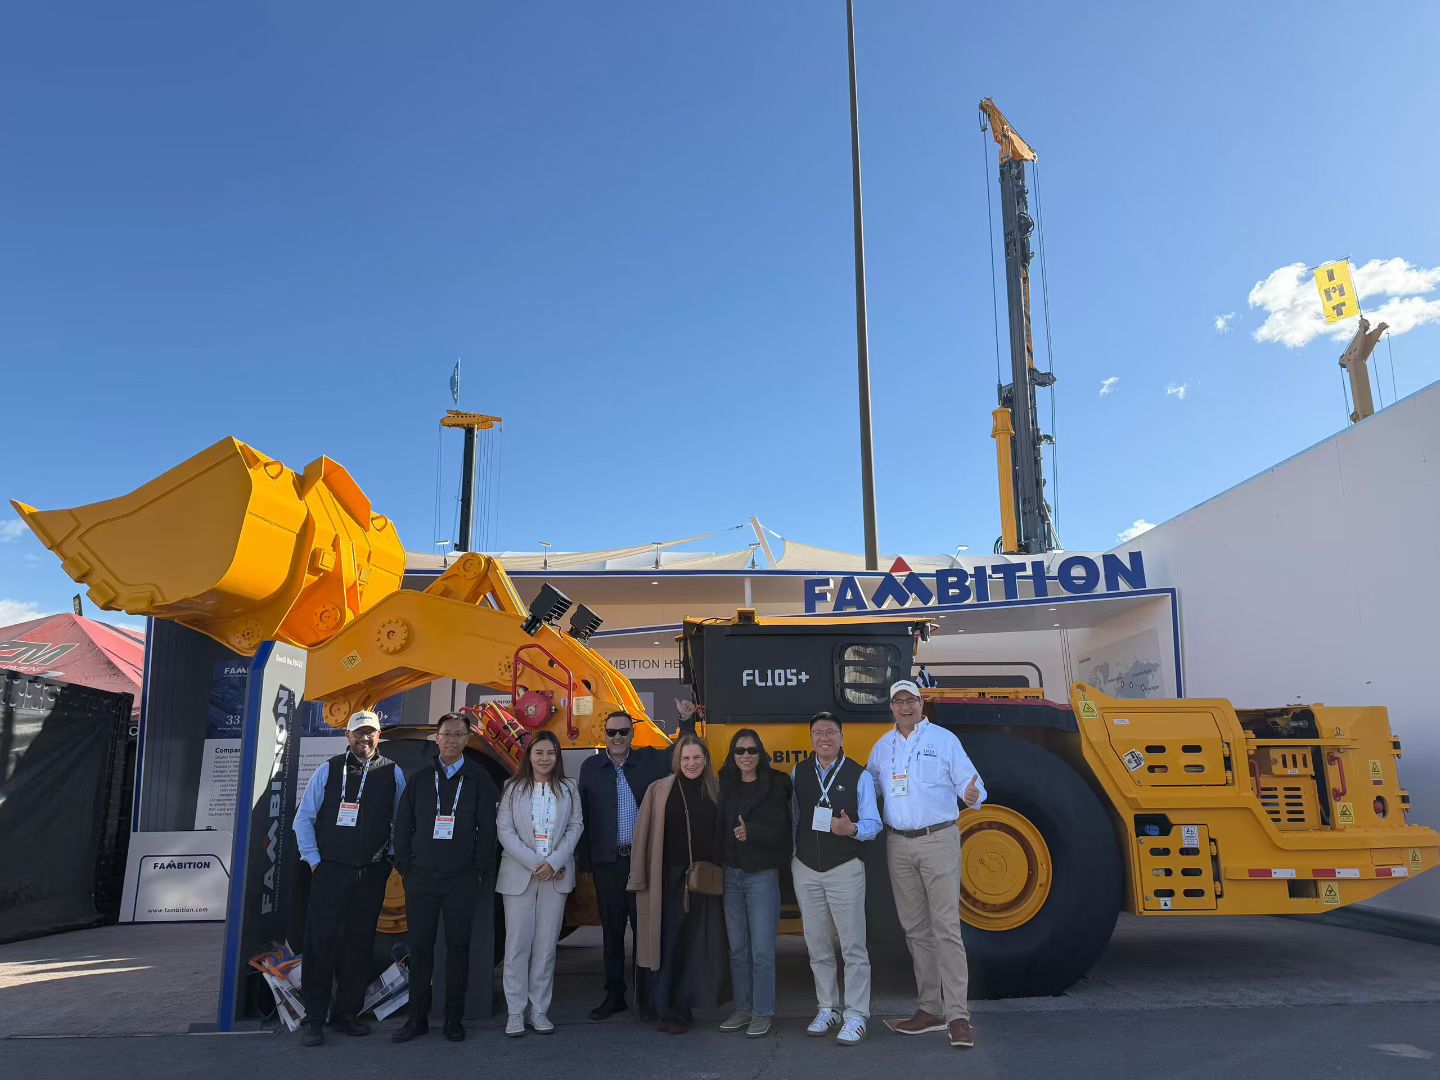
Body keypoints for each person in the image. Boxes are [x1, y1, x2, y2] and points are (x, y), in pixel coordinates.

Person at [866, 679, 986, 1049]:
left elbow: (971, 783)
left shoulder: (944, 740)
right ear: (891, 707)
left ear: (922, 704)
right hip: (898, 844)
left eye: (911, 701)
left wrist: (971, 793)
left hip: (938, 840)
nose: (905, 707)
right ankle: (930, 1009)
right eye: (899, 701)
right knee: (916, 930)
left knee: (946, 928)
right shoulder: (882, 747)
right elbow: (869, 789)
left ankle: (958, 1015)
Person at [292, 710, 406, 1047]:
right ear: (347, 736)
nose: (364, 738)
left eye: (371, 732)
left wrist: (388, 859)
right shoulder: (328, 770)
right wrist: (316, 863)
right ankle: (314, 1018)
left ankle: (346, 1014)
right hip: (330, 870)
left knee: (359, 944)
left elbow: (402, 820)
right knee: (320, 944)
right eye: (358, 732)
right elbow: (303, 819)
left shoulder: (393, 772)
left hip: (370, 873)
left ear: (379, 735)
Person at [390, 712, 499, 1044]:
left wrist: (477, 871)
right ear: (436, 738)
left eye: (458, 734)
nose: (452, 740)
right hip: (421, 879)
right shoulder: (421, 778)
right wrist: (406, 868)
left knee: (458, 948)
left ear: (467, 739)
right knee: (420, 948)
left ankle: (453, 1018)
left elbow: (488, 830)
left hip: (461, 880)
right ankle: (417, 1019)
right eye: (446, 734)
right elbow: (403, 826)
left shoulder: (478, 778)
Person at [791, 710, 882, 1046]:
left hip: (844, 868)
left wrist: (852, 829)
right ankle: (827, 1008)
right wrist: (794, 857)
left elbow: (874, 824)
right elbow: (793, 818)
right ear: (811, 738)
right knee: (817, 945)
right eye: (818, 732)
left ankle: (856, 1014)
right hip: (806, 868)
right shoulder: (798, 772)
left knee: (853, 946)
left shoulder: (859, 775)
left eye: (830, 732)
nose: (824, 738)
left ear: (842, 737)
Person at [627, 734, 728, 1035]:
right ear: (677, 761)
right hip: (668, 879)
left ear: (706, 760)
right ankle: (664, 1007)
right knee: (667, 943)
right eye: (685, 758)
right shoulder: (659, 790)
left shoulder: (717, 790)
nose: (691, 763)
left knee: (695, 946)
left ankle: (684, 1009)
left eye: (697, 757)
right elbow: (642, 836)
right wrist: (638, 877)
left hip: (704, 882)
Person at [576, 711, 669, 1020]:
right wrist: (584, 862)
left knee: (645, 930)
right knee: (612, 931)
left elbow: (680, 754)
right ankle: (614, 994)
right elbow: (583, 815)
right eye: (612, 732)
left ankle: (647, 997)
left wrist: (685, 722)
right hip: (607, 863)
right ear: (603, 734)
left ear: (633, 734)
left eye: (623, 732)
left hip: (640, 862)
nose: (617, 738)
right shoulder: (591, 768)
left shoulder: (649, 761)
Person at [496, 730, 584, 1038]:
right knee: (517, 945)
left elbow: (575, 826)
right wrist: (536, 863)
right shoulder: (512, 788)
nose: (545, 758)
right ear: (529, 756)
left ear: (558, 756)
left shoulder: (569, 788)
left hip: (555, 876)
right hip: (520, 875)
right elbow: (505, 831)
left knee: (546, 947)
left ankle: (539, 1010)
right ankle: (515, 1012)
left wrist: (554, 862)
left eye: (550, 753)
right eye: (539, 753)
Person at [717, 728, 791, 1039]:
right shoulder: (726, 784)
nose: (745, 756)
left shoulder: (775, 784)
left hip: (761, 876)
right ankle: (743, 1009)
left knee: (761, 951)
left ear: (760, 753)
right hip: (731, 875)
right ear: (732, 755)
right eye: (739, 750)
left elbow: (783, 831)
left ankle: (762, 1012)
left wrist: (753, 832)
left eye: (751, 750)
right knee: (738, 950)